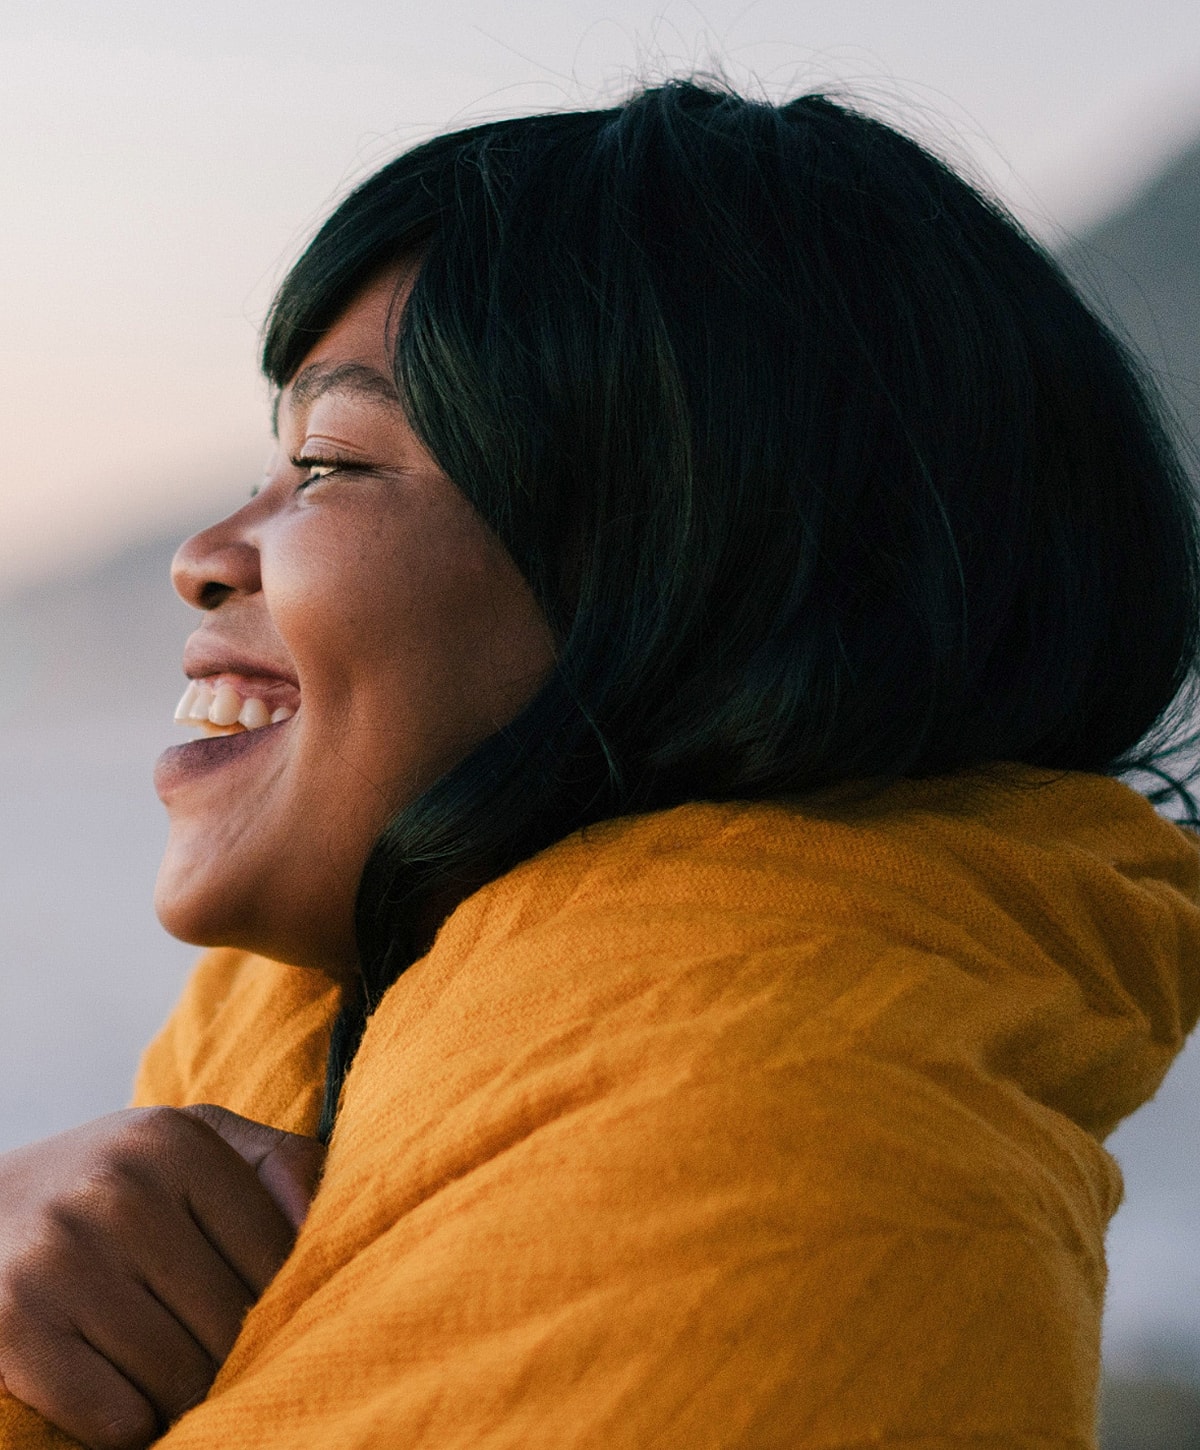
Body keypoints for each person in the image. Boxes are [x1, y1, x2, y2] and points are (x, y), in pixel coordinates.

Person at [1, 78, 1199, 1449]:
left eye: (327, 462)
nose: (203, 554)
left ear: (700, 572)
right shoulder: (310, 1077)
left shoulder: (795, 1196)